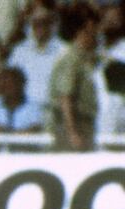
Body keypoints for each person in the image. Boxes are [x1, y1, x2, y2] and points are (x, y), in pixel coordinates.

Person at [47, 2, 99, 152]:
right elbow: (65, 97)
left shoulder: (85, 58)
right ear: (82, 31)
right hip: (73, 124)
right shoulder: (71, 58)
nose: (96, 35)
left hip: (85, 124)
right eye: (92, 30)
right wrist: (72, 133)